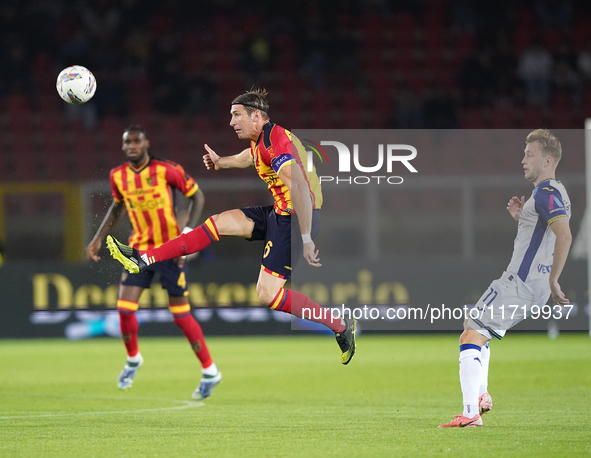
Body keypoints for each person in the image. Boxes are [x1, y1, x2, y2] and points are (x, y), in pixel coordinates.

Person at [106, 89, 357, 364]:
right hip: (279, 212)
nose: (231, 121)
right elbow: (248, 158)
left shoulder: (276, 141)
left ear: (256, 116)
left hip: (297, 220)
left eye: (236, 115)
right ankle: (143, 258)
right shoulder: (261, 139)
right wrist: (221, 162)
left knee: (268, 294)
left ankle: (340, 326)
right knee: (218, 222)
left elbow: (297, 185)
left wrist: (307, 237)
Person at [439, 129, 572, 428]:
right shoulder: (555, 192)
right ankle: (482, 397)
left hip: (521, 283)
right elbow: (546, 233)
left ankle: (471, 413)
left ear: (547, 160)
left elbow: (564, 235)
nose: (523, 159)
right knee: (472, 325)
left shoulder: (547, 192)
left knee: (470, 336)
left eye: (530, 154)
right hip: (527, 284)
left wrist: (555, 280)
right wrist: (522, 218)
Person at [86, 125, 221, 399]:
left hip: (170, 250)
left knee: (181, 316)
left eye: (136, 141)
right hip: (138, 251)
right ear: (123, 147)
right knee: (124, 309)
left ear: (146, 143)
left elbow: (198, 196)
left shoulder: (166, 169)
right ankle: (133, 359)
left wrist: (187, 236)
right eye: (127, 143)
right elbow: (117, 206)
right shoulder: (118, 176)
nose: (132, 146)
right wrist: (99, 237)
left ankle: (210, 371)